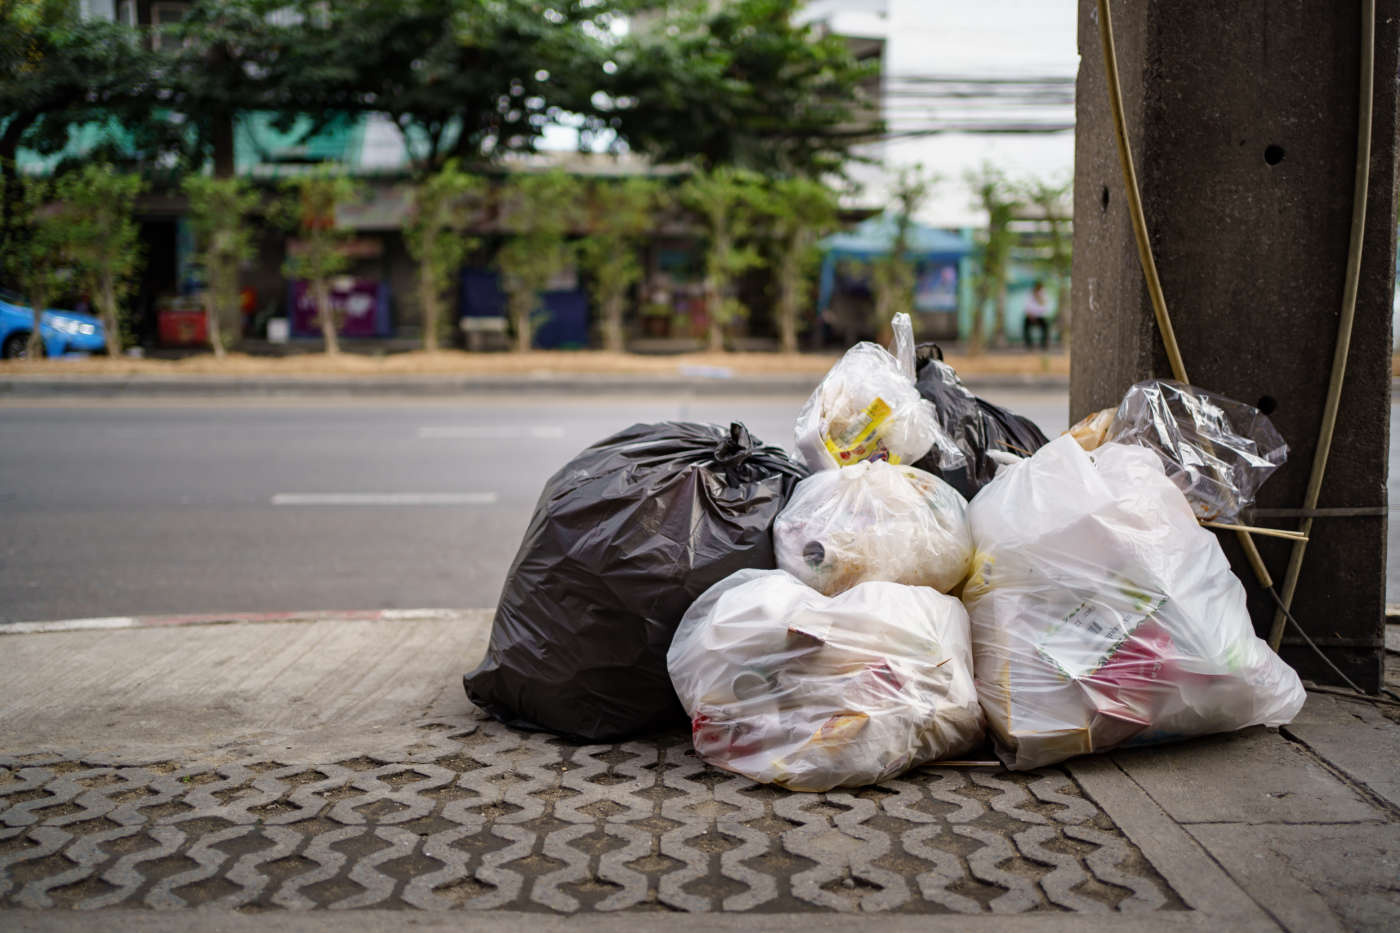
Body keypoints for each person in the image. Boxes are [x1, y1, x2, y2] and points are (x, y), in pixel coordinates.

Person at [1023, 280, 1050, 349]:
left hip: (1040, 316)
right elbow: (1026, 307)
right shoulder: (1029, 294)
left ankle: (1044, 344)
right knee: (1025, 326)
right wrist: (1030, 315)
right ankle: (1028, 345)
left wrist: (1038, 297)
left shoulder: (1044, 295)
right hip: (1030, 316)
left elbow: (1044, 306)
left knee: (1046, 326)